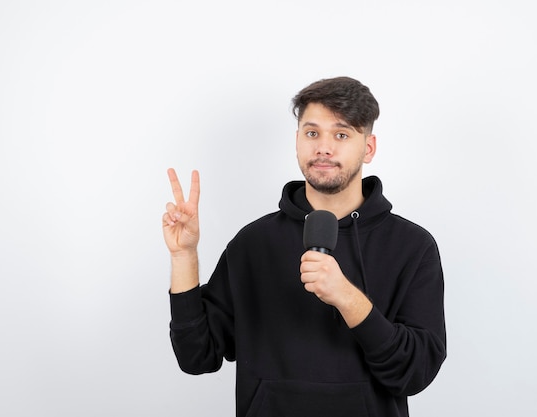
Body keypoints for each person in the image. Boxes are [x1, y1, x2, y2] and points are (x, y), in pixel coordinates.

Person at [162, 76, 446, 417]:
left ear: (368, 148)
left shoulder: (412, 247)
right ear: (297, 141)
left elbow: (414, 373)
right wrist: (184, 257)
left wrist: (348, 297)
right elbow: (196, 356)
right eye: (312, 133)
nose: (323, 147)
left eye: (341, 134)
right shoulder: (253, 243)